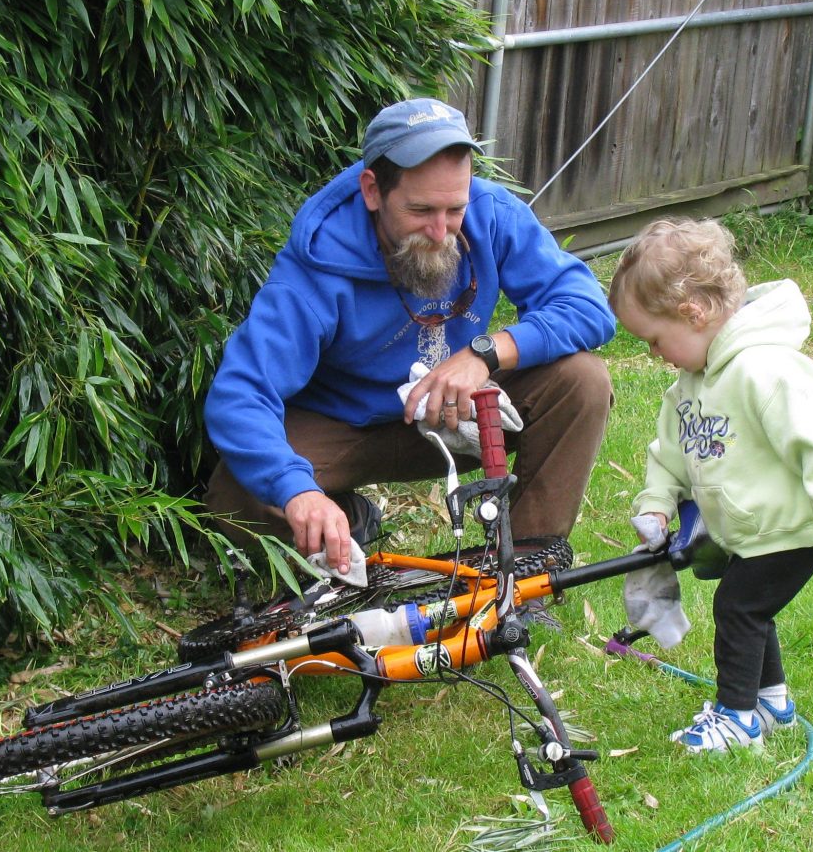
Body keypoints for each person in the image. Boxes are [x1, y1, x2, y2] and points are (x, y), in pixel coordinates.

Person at [203, 98, 616, 574]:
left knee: (582, 380)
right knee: (236, 497)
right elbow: (240, 393)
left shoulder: (492, 213)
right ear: (373, 191)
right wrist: (300, 493)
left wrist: (485, 352)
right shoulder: (315, 265)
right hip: (345, 426)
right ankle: (350, 519)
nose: (441, 231)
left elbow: (587, 307)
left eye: (454, 209)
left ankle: (524, 564)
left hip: (451, 415)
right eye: (420, 210)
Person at [608, 217, 813, 753]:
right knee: (753, 606)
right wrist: (657, 503)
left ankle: (738, 718)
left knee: (738, 607)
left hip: (798, 527)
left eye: (655, 340)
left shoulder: (765, 370)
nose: (655, 354)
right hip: (755, 533)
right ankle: (771, 702)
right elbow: (671, 453)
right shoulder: (692, 383)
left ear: (694, 312)